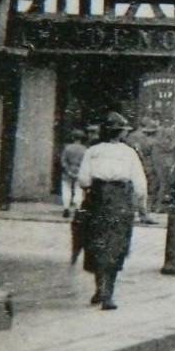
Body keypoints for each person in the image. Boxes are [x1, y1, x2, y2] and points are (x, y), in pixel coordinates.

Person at [74, 110, 148, 311]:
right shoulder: (129, 152)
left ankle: (99, 289)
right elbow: (140, 184)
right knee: (115, 246)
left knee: (96, 243)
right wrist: (140, 206)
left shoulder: (93, 151)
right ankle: (109, 294)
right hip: (120, 201)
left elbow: (83, 180)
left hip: (97, 199)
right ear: (121, 134)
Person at [59, 129, 87, 218]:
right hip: (80, 171)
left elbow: (63, 160)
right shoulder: (85, 149)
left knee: (66, 189)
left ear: (73, 137)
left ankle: (66, 208)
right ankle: (77, 209)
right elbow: (86, 162)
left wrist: (67, 169)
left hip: (68, 170)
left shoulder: (67, 148)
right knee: (78, 190)